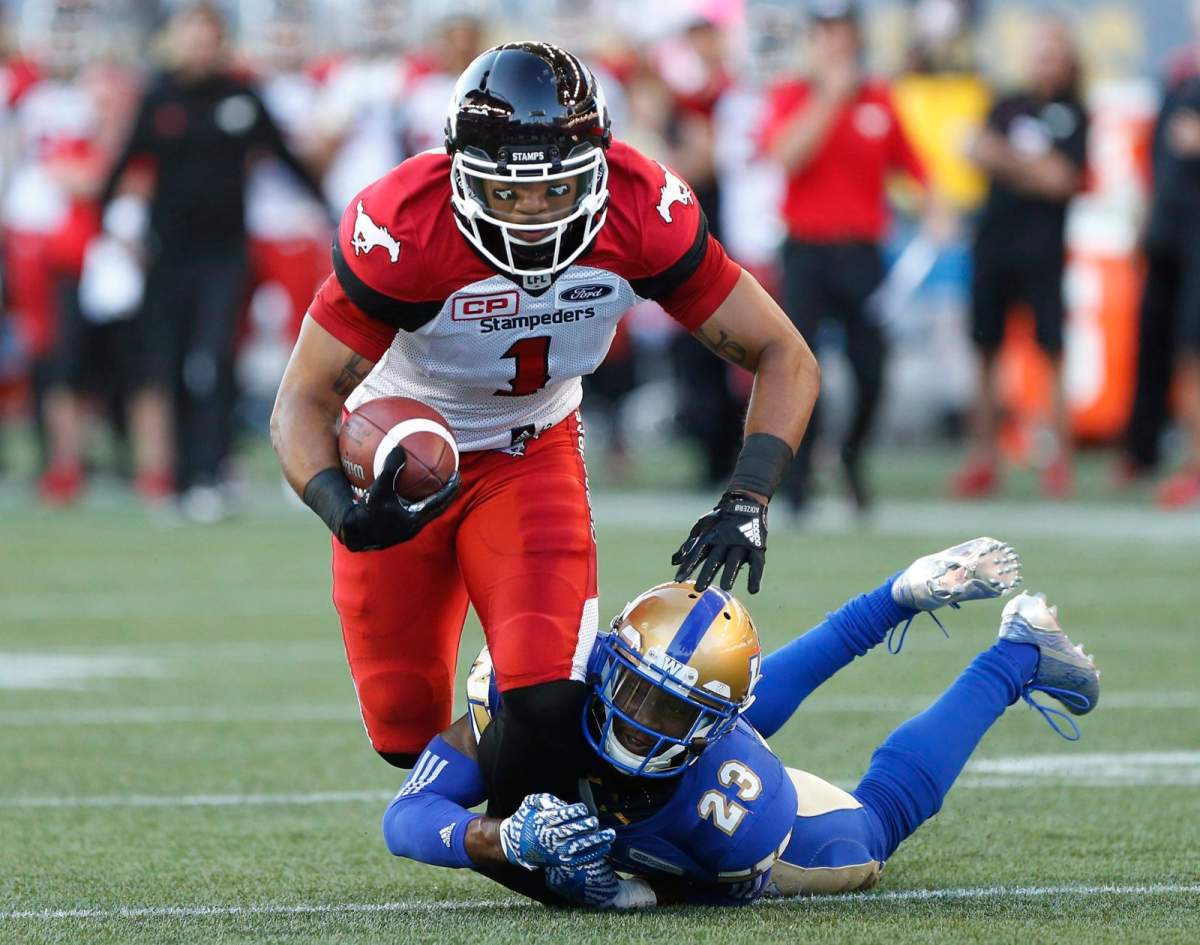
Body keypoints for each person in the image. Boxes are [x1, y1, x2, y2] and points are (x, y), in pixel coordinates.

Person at [270, 42, 820, 819]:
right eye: (511, 192)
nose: (536, 212)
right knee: (404, 729)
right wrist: (341, 507)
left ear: (596, 166)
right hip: (405, 458)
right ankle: (526, 781)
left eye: (558, 188)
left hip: (532, 449)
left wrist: (748, 497)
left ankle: (582, 811)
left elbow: (783, 352)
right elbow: (301, 399)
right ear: (463, 174)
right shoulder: (404, 228)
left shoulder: (641, 212)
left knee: (544, 710)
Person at [380, 537, 1099, 908]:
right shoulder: (548, 685)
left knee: (870, 833)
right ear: (605, 663)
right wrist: (498, 835)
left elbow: (710, 888)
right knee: (712, 691)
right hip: (690, 757)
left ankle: (1018, 654)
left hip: (696, 815)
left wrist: (635, 892)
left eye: (671, 712)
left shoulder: (736, 805)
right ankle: (899, 594)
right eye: (631, 689)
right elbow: (406, 817)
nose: (640, 721)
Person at [99, 2, 328, 520]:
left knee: (216, 360)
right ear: (176, 40)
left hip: (224, 255)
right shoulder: (158, 96)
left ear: (219, 41)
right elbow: (122, 165)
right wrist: (110, 229)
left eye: (207, 36)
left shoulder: (241, 96)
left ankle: (212, 471)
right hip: (167, 257)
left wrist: (332, 208)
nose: (199, 46)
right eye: (190, 35)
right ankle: (178, 478)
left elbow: (284, 156)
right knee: (171, 363)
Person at [761, 0, 932, 513]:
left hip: (862, 253)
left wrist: (935, 209)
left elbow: (915, 170)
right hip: (807, 250)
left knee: (872, 366)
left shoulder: (879, 100)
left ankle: (852, 458)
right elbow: (787, 157)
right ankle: (799, 474)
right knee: (799, 366)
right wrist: (829, 100)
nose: (835, 44)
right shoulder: (793, 95)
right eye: (825, 33)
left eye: (841, 33)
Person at [951, 17, 1088, 500]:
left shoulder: (1075, 113)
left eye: (1053, 53)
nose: (1044, 63)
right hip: (994, 244)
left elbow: (1062, 180)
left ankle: (1058, 460)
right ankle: (983, 458)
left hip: (1043, 252)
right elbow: (974, 148)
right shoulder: (1007, 103)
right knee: (985, 353)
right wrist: (1029, 167)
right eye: (1039, 52)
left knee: (1051, 352)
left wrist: (1006, 161)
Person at [1119, 12, 1200, 508]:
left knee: (1195, 354)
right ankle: (1145, 451)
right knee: (1163, 348)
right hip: (1171, 236)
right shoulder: (1180, 77)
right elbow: (1160, 158)